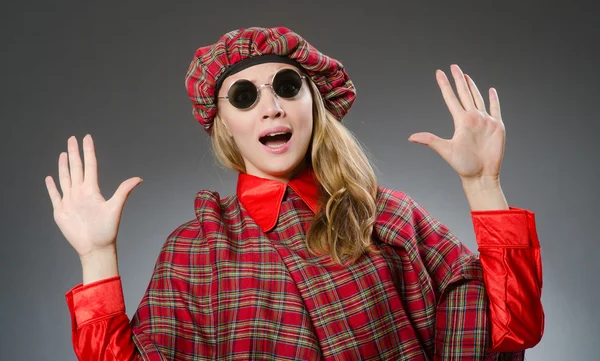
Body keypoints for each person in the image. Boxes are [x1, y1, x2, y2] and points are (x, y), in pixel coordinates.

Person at [46, 26, 544, 360]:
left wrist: (483, 186)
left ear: (314, 103)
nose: (271, 107)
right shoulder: (196, 248)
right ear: (225, 126)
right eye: (245, 96)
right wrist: (96, 257)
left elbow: (512, 328)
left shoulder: (388, 215)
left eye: (287, 86)